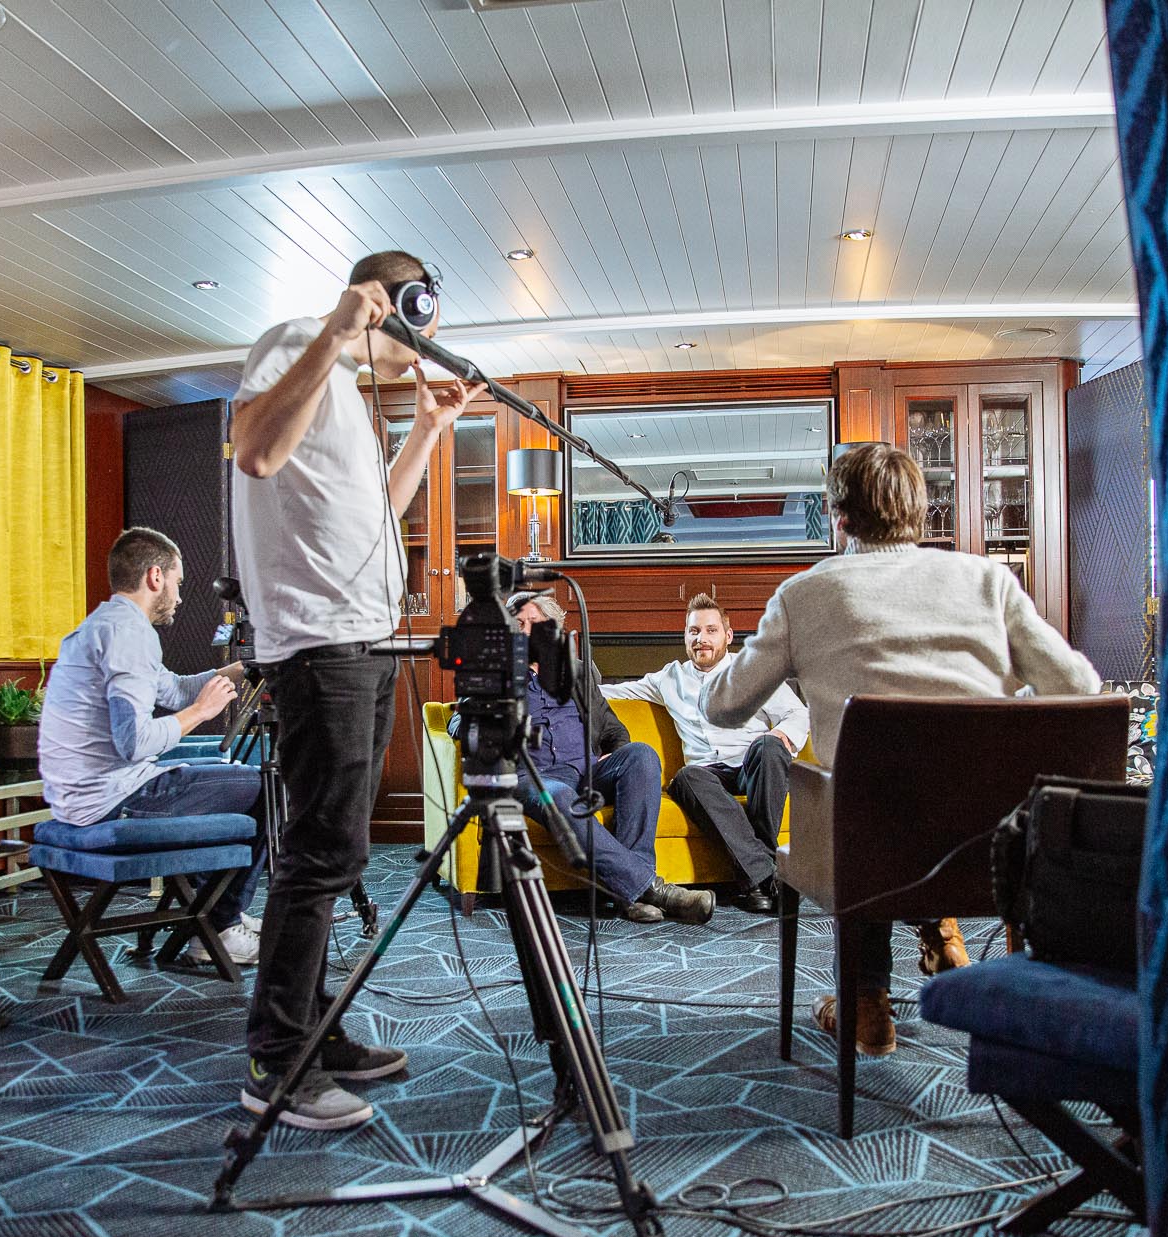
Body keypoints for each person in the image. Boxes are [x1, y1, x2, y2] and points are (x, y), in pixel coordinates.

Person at [705, 443, 1101, 1057]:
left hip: (868, 848)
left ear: (839, 518)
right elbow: (1080, 686)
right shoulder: (989, 582)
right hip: (989, 847)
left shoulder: (805, 594)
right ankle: (945, 933)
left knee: (849, 792)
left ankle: (865, 1003)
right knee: (915, 793)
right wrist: (999, 706)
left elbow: (724, 708)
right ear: (921, 511)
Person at [228, 250, 485, 1131]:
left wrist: (427, 430)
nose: (425, 347)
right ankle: (275, 1058)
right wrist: (335, 331)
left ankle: (314, 1030)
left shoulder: (345, 395)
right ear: (391, 304)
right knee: (318, 853)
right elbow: (255, 450)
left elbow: (376, 513)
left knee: (340, 852)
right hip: (319, 645)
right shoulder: (297, 345)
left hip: (364, 642)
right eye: (422, 326)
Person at [37, 527, 263, 965]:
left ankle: (214, 916)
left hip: (84, 799)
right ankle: (220, 927)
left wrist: (245, 667)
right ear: (156, 577)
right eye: (177, 581)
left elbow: (174, 689)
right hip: (113, 801)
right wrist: (201, 712)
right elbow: (134, 741)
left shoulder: (106, 626)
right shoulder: (128, 635)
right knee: (272, 788)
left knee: (237, 784)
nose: (179, 595)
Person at [494, 592, 716, 925]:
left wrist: (615, 752)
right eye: (518, 624)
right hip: (534, 777)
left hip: (587, 772)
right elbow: (459, 719)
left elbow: (614, 728)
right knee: (559, 795)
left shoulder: (577, 674)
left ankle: (629, 893)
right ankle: (654, 891)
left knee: (641, 755)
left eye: (533, 623)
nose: (525, 630)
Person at [601, 593, 810, 914]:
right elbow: (612, 692)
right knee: (687, 777)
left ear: (728, 635)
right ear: (685, 637)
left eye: (711, 630)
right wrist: (564, 683)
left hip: (752, 767)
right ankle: (768, 876)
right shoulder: (669, 677)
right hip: (706, 777)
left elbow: (799, 714)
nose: (701, 639)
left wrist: (779, 734)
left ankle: (758, 877)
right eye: (694, 631)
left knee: (769, 746)